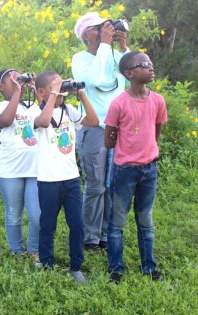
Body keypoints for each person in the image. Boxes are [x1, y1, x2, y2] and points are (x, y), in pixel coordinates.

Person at [104, 52, 167, 283]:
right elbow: (109, 141)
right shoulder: (119, 103)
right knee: (117, 222)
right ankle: (115, 270)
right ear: (129, 74)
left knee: (146, 220)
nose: (151, 68)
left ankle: (149, 268)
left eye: (151, 63)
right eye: (144, 65)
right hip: (124, 171)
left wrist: (147, 151)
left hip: (149, 170)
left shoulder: (158, 100)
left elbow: (156, 130)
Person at [72, 12, 130, 251]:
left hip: (117, 128)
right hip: (94, 129)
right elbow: (94, 79)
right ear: (87, 35)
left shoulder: (113, 54)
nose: (106, 29)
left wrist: (123, 46)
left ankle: (105, 233)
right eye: (100, 27)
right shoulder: (80, 59)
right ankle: (90, 237)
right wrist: (106, 45)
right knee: (96, 185)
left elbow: (130, 74)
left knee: (112, 183)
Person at [34, 71, 99, 282]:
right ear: (42, 92)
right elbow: (43, 122)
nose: (61, 90)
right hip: (49, 180)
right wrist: (53, 94)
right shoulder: (35, 112)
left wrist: (81, 94)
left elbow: (93, 120)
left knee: (77, 225)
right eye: (55, 86)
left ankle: (76, 266)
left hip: (71, 178)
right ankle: (46, 264)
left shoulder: (69, 111)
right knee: (48, 225)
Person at [0, 69, 41, 262]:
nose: (18, 82)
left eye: (20, 78)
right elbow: (5, 121)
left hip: (35, 168)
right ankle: (17, 252)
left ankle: (35, 250)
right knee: (14, 213)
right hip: (9, 169)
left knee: (37, 214)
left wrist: (37, 93)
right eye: (13, 80)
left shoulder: (33, 107)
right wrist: (17, 94)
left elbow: (47, 120)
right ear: (2, 86)